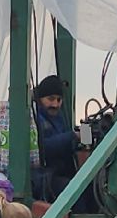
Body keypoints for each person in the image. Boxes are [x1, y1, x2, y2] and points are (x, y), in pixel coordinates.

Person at [30, 76, 81, 204]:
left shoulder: (59, 118)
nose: (55, 104)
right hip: (41, 177)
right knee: (74, 190)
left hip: (57, 172)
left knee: (89, 185)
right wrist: (72, 136)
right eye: (51, 99)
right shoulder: (34, 119)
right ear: (40, 99)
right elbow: (42, 148)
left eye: (59, 100)